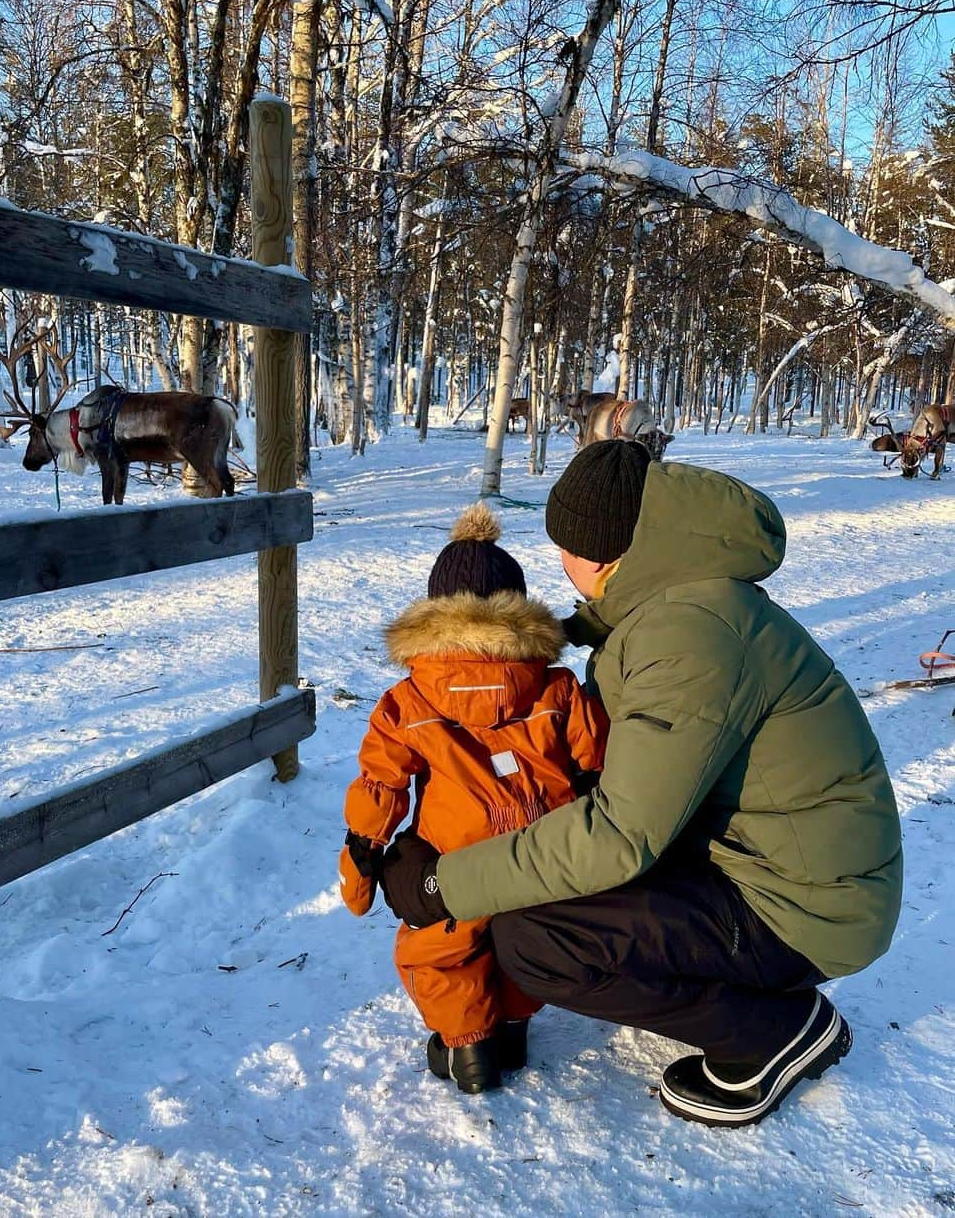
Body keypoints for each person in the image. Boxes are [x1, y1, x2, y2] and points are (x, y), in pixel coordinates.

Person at [379, 442, 903, 1127]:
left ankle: (775, 1034)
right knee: (554, 887)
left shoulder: (691, 634)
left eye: (561, 544)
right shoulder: (675, 606)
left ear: (595, 557)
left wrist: (440, 884)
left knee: (538, 939)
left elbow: (620, 834)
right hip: (766, 862)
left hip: (805, 910)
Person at [339, 502, 609, 1095]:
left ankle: (469, 1052)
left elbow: (382, 785)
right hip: (547, 850)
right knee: (530, 926)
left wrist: (360, 864)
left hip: (454, 855)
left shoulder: (407, 702)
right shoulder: (557, 687)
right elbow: (596, 763)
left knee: (441, 944)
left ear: (435, 616)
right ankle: (512, 1026)